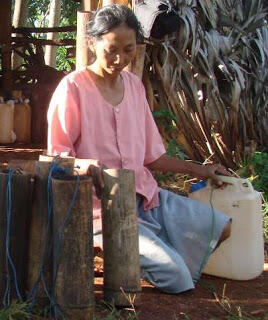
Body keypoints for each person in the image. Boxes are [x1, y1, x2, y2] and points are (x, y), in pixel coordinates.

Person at [47, 4, 231, 294]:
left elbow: (153, 157)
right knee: (178, 279)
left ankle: (145, 252)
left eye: (129, 49)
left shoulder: (134, 86)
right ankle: (110, 252)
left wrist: (204, 170)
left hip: (147, 199)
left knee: (221, 227)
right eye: (111, 49)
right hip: (101, 208)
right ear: (93, 42)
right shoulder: (72, 88)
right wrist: (88, 166)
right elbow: (57, 157)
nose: (120, 59)